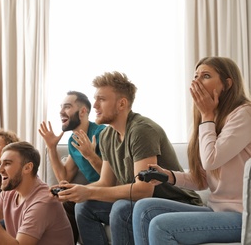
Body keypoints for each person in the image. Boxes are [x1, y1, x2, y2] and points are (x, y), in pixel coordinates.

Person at [54, 71, 202, 245]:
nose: (94, 105)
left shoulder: (142, 130)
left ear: (121, 104)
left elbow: (143, 190)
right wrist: (75, 190)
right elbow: (105, 182)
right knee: (84, 206)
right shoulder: (108, 135)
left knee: (122, 208)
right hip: (142, 204)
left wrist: (89, 191)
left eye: (101, 99)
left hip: (177, 204)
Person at [132, 56, 251, 244]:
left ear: (227, 84)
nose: (196, 82)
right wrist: (168, 175)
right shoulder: (212, 120)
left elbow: (211, 159)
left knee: (160, 226)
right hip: (216, 210)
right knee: (143, 208)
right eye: (195, 76)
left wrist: (206, 116)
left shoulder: (243, 114)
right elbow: (203, 178)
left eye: (205, 76)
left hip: (243, 216)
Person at [38, 90, 106, 243]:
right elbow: (64, 177)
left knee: (74, 203)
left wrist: (90, 155)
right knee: (57, 201)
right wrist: (51, 148)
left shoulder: (102, 133)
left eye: (67, 107)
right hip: (93, 192)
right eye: (61, 107)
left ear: (83, 111)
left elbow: (114, 178)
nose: (61, 111)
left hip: (109, 192)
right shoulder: (73, 141)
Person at [0, 141, 74, 245]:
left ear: (27, 168)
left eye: (7, 163)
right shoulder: (10, 192)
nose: (0, 170)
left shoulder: (43, 203)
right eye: (1, 163)